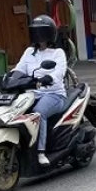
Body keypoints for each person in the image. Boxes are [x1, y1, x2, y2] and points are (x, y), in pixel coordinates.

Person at [13, 15, 68, 167]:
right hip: (32, 93)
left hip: (54, 94)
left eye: (41, 32)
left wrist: (48, 78)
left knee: (38, 113)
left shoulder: (57, 53)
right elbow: (19, 68)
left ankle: (41, 152)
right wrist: (8, 78)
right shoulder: (29, 51)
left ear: (49, 33)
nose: (38, 35)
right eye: (35, 32)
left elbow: (59, 72)